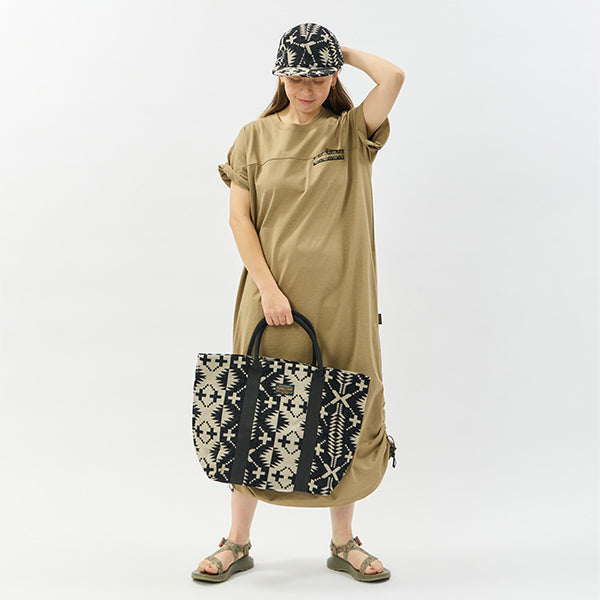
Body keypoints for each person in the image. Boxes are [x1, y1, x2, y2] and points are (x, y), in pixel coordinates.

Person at [192, 22, 404, 583]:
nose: (306, 88)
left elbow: (393, 77)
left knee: (344, 410)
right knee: (252, 410)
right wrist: (268, 288)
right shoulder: (254, 136)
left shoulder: (350, 133)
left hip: (343, 301)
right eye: (296, 76)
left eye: (318, 76)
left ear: (333, 77)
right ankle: (236, 542)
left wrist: (340, 51)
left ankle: (344, 543)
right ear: (279, 77)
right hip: (268, 299)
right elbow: (239, 218)